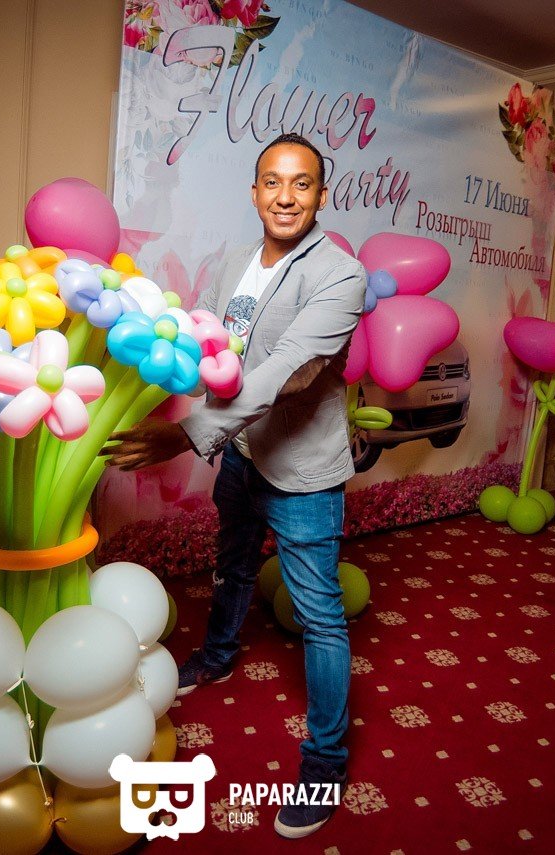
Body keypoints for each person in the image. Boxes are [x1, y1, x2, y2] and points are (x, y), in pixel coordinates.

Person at [106, 132, 366, 839]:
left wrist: (184, 433)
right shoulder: (232, 262)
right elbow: (221, 351)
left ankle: (326, 762)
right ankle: (219, 655)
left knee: (321, 618)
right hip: (243, 452)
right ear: (254, 192)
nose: (286, 196)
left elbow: (286, 371)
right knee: (233, 562)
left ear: (320, 194)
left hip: (302, 472)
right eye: (273, 181)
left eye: (302, 183)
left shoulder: (341, 275)